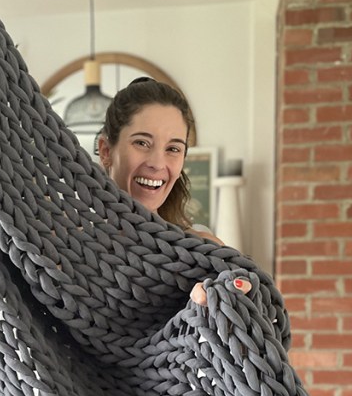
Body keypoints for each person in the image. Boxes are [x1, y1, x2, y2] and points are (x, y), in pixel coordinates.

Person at [95, 77, 248, 305]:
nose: (157, 163)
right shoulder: (64, 244)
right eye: (142, 143)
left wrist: (224, 301)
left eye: (173, 148)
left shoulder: (202, 252)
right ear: (106, 151)